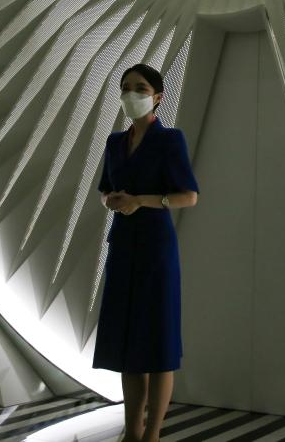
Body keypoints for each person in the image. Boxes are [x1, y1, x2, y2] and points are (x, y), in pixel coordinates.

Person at [92, 63, 199, 442]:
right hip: (123, 245)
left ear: (157, 97)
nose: (131, 94)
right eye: (126, 87)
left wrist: (142, 201)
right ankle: (132, 432)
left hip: (155, 248)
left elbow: (189, 196)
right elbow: (105, 189)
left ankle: (151, 434)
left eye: (140, 88)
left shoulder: (169, 139)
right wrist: (112, 200)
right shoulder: (114, 142)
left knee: (157, 342)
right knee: (127, 345)